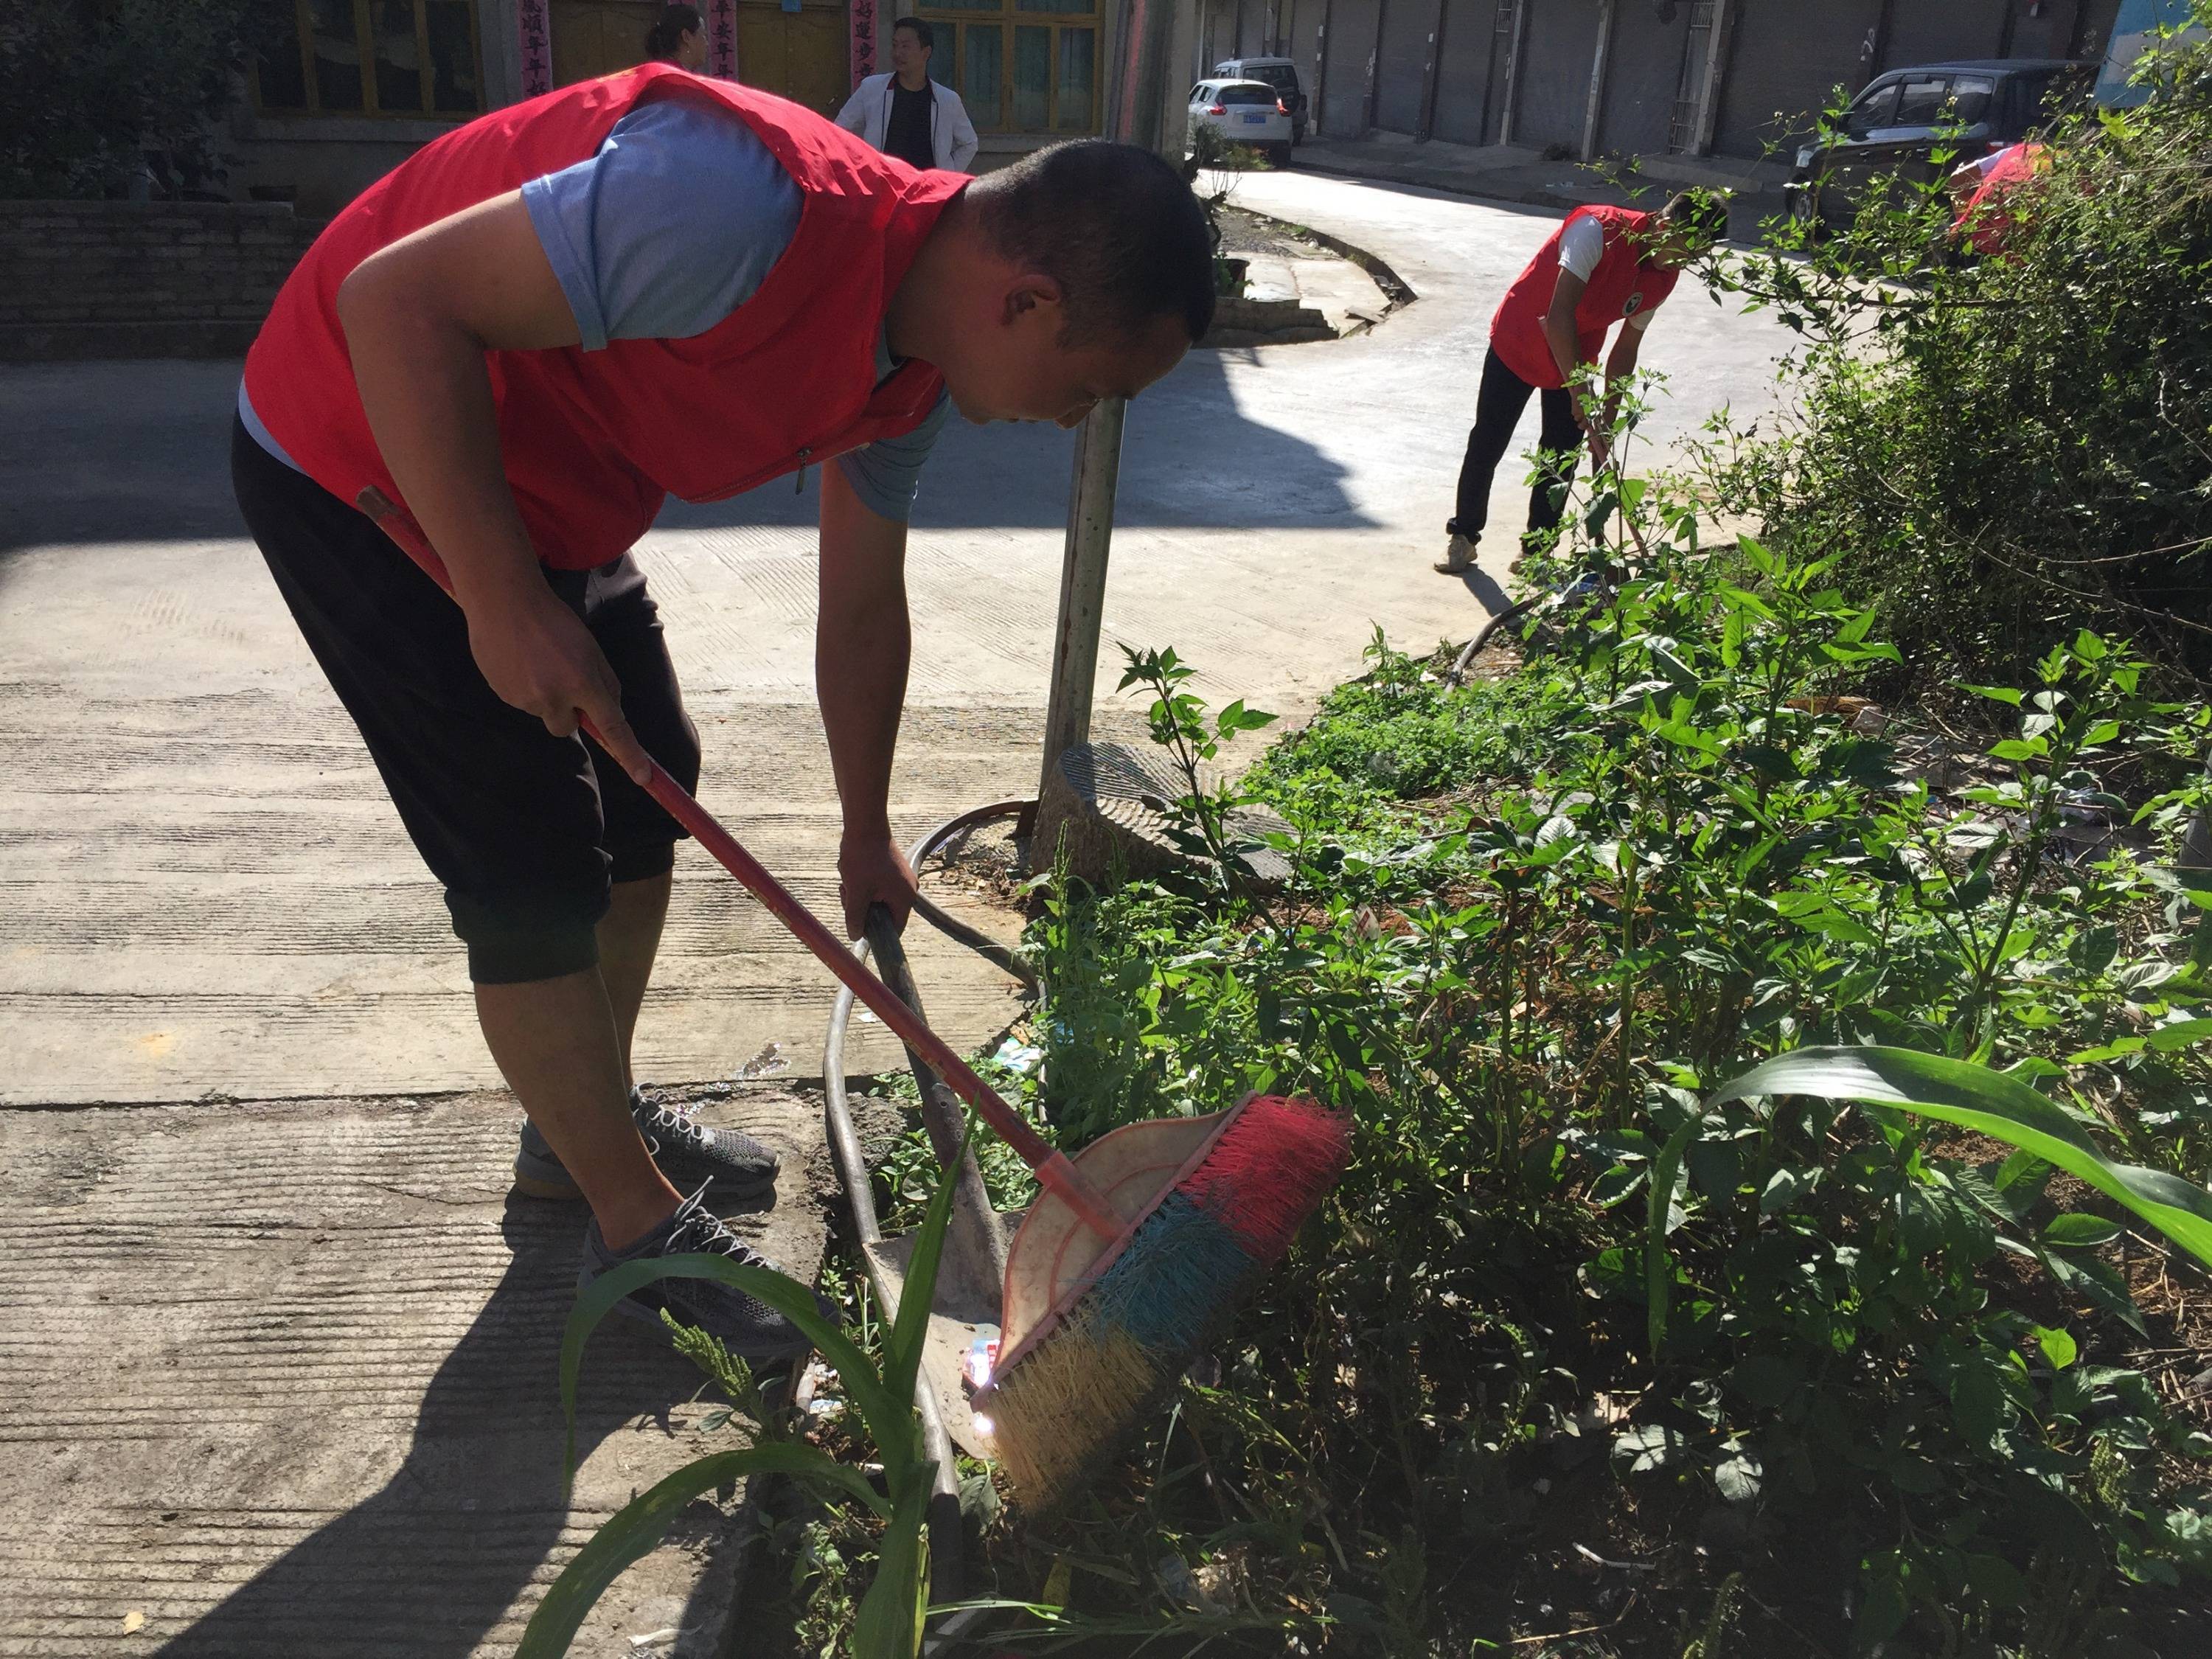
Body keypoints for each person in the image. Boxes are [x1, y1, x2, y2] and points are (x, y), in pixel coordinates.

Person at [231, 63, 1211, 1362]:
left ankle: (580, 1127)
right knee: (527, 852)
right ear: (1025, 302)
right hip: (359, 455)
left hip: (545, 486)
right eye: (1091, 389)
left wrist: (869, 830)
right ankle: (637, 1235)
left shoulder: (914, 369)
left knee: (656, 778)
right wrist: (500, 601)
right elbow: (390, 300)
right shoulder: (732, 210)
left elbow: (863, 603)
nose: (1073, 421)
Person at [1437, 191, 1727, 575]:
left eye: (1698, 256)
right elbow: (1557, 318)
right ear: (1665, 226)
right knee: (1490, 438)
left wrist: (1606, 417)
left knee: (1560, 452)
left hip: (1577, 346)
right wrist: (1580, 393)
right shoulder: (1596, 230)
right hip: (1522, 336)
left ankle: (1537, 552)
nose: (1687, 263)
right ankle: (1464, 537)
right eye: (1686, 250)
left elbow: (1626, 350)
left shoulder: (1663, 278)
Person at [835, 17, 979, 173]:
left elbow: (969, 143)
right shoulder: (872, 89)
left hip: (927, 191)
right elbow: (839, 130)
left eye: (905, 46)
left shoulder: (947, 100)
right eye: (895, 45)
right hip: (884, 187)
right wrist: (860, 168)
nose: (898, 53)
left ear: (926, 52)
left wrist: (947, 173)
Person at [1948, 139, 2052, 259]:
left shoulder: (2015, 151)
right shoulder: (2066, 163)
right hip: (2023, 246)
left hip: (1977, 240)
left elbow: (1958, 177)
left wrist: (1964, 223)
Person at [643, 4, 708, 70]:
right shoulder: (673, 77)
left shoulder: (657, 70)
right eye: (703, 35)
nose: (707, 44)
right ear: (686, 36)